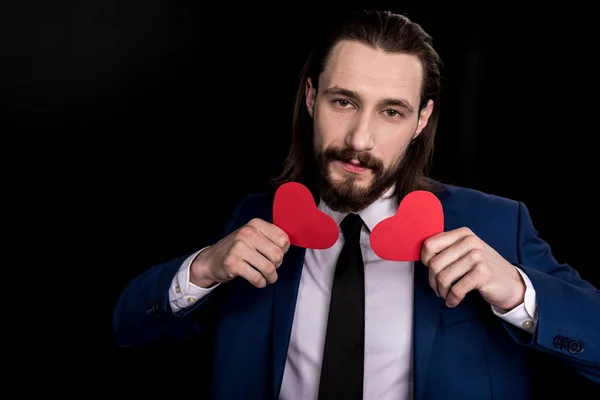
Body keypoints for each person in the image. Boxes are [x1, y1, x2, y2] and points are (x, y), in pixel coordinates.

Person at [112, 9, 600, 399]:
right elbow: (129, 329)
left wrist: (519, 291)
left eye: (391, 111)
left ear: (421, 120)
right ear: (310, 98)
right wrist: (204, 268)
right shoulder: (251, 217)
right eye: (343, 102)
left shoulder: (498, 223)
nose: (359, 140)